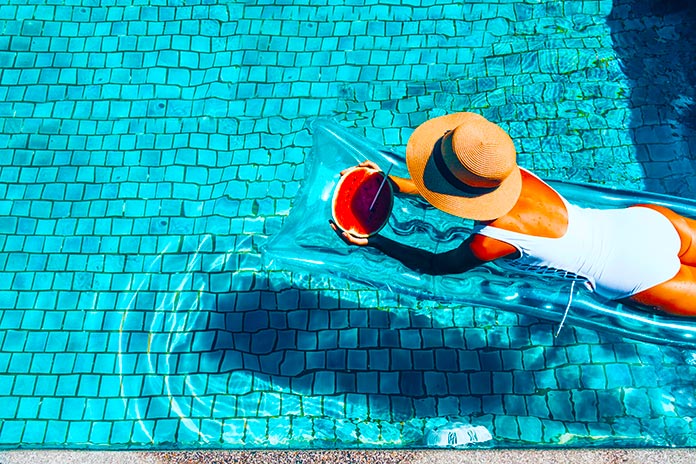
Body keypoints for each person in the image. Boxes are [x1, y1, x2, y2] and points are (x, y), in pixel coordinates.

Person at [329, 112, 696, 316]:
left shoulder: (492, 241)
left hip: (630, 274)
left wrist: (373, 241)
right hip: (648, 223)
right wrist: (391, 184)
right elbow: (445, 190)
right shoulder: (510, 172)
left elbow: (436, 265)